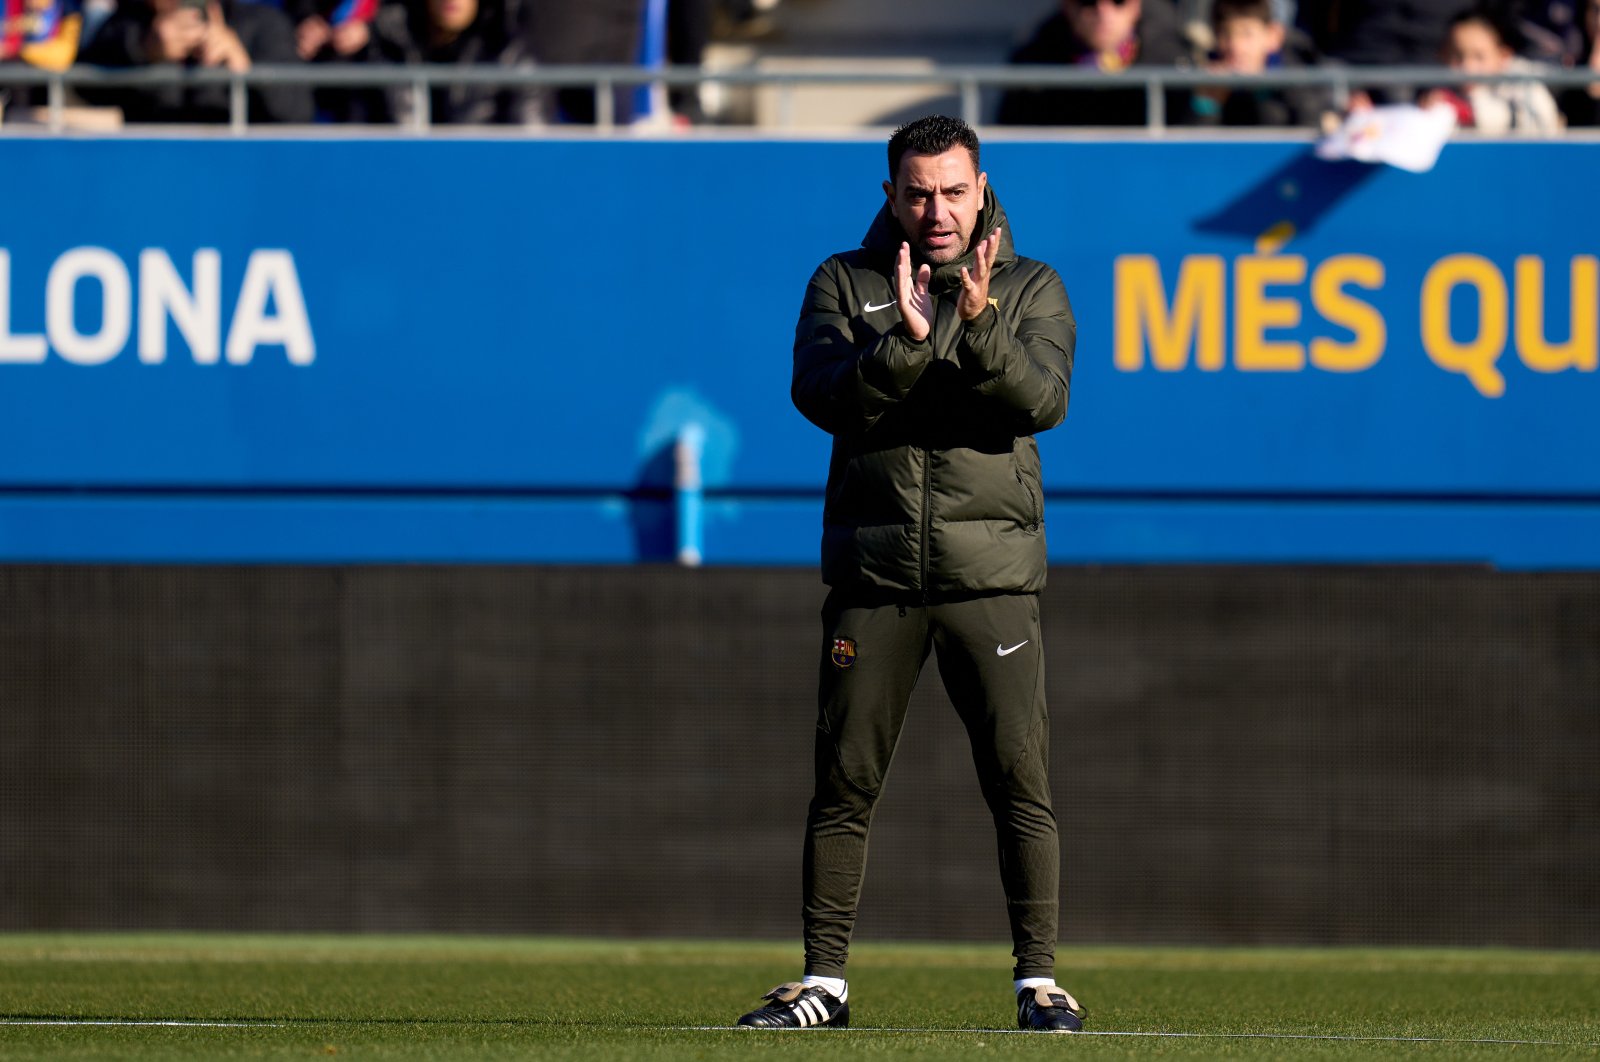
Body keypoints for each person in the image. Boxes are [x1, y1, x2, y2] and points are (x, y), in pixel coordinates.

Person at [736, 115, 1083, 1034]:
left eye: (953, 191)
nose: (937, 210)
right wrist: (903, 342)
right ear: (891, 194)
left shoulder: (1032, 286)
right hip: (875, 578)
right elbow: (818, 394)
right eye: (918, 192)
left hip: (991, 579)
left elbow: (1041, 400)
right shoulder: (844, 282)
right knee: (843, 784)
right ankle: (822, 984)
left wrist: (974, 325)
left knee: (1019, 782)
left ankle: (1040, 984)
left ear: (981, 190)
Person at [78, 0, 312, 124]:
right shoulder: (127, 26)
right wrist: (143, 48)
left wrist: (243, 68)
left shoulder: (263, 24)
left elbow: (299, 114)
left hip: (241, 177)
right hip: (152, 175)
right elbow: (79, 90)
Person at [996, 0, 1191, 126]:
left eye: (1118, 1)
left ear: (1136, 6)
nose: (1103, 12)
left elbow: (1193, 149)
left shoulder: (1173, 61)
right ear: (1068, 7)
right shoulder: (1032, 64)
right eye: (1088, 2)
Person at [1423, 6, 1564, 134]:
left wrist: (1467, 112)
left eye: (1479, 56)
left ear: (1503, 56)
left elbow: (1539, 131)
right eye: (1457, 56)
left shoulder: (1525, 84)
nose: (1467, 66)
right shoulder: (1438, 87)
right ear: (1443, 55)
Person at [1186, 0, 1328, 125]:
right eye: (1225, 33)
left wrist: (1260, 90)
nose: (1235, 46)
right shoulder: (1202, 78)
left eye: (1247, 34)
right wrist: (1207, 105)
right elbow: (1191, 148)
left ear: (1274, 36)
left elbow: (1305, 130)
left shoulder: (1295, 79)